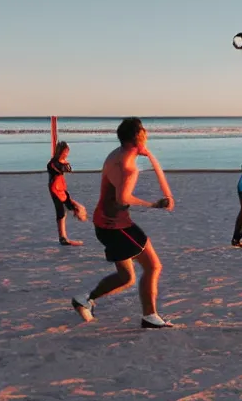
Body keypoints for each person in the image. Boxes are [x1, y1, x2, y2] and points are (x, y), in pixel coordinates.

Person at [71, 118, 175, 329]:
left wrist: (140, 151)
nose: (147, 134)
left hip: (105, 223)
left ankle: (85, 299)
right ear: (137, 136)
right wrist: (153, 204)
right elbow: (122, 199)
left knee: (126, 277)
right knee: (153, 266)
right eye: (144, 131)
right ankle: (150, 316)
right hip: (115, 226)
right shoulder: (128, 167)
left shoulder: (116, 154)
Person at [47, 141, 86, 246]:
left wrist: (64, 162)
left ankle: (77, 214)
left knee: (67, 207)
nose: (67, 154)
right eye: (66, 151)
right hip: (55, 189)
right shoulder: (52, 163)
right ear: (61, 151)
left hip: (61, 188)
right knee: (60, 212)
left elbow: (69, 169)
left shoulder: (61, 162)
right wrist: (63, 162)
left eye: (67, 152)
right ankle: (63, 237)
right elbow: (60, 169)